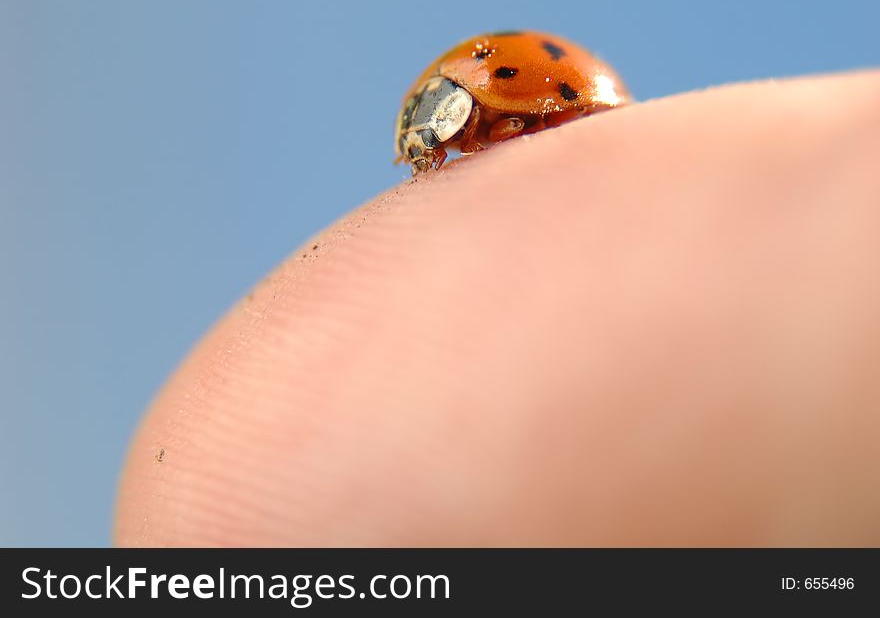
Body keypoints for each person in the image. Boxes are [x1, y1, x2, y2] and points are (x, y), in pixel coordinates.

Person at [115, 71, 880, 546]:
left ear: (453, 116)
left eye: (431, 142)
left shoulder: (488, 94)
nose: (429, 155)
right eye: (423, 147)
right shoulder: (454, 104)